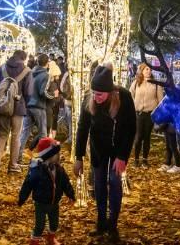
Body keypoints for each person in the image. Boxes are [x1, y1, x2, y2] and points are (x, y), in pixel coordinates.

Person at [74, 64, 136, 241]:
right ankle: (101, 222)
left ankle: (112, 225)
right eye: (94, 93)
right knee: (99, 185)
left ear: (110, 92)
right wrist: (79, 157)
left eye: (100, 94)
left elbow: (131, 128)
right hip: (98, 148)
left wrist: (123, 156)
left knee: (115, 182)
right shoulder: (90, 98)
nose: (96, 97)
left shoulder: (124, 96)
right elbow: (82, 127)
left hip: (118, 149)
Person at [18, 137, 75, 245]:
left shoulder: (59, 169)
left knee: (54, 223)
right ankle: (34, 241)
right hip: (41, 203)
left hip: (54, 203)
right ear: (48, 156)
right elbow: (28, 184)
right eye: (56, 154)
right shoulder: (37, 170)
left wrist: (71, 195)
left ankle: (51, 238)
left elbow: (65, 183)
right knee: (40, 225)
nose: (59, 156)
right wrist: (22, 198)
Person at [0, 50, 31, 177]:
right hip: (18, 107)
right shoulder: (27, 71)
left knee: (2, 135)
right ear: (24, 58)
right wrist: (25, 105)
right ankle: (13, 165)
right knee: (16, 136)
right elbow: (29, 92)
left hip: (3, 107)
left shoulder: (2, 68)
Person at [129, 63, 164, 168]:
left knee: (147, 137)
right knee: (138, 137)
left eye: (149, 69)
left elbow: (160, 100)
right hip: (138, 114)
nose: (149, 71)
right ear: (141, 71)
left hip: (150, 114)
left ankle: (145, 160)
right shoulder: (136, 83)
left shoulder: (156, 84)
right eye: (146, 69)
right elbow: (130, 97)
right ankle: (136, 159)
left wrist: (159, 114)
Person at [18, 55, 50, 166]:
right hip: (39, 106)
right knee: (43, 134)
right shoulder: (46, 75)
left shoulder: (30, 72)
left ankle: (18, 157)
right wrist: (52, 96)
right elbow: (43, 92)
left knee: (24, 132)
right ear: (47, 63)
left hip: (28, 106)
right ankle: (43, 158)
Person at [59, 67, 73, 144]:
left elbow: (61, 87)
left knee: (70, 121)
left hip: (68, 101)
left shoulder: (67, 74)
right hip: (79, 101)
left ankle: (70, 138)